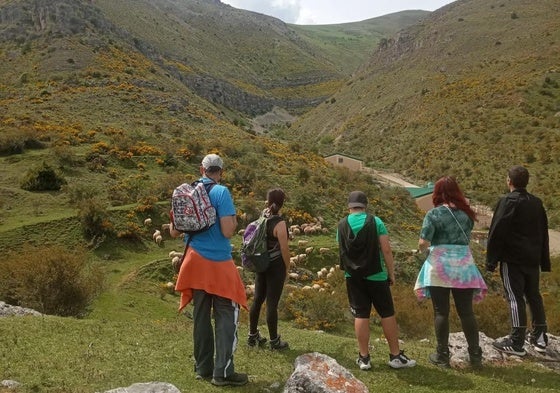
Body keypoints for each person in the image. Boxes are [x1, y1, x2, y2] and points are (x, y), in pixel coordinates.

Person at [170, 153, 248, 387]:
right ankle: (222, 373)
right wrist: (234, 222)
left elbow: (174, 232)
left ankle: (202, 368)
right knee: (226, 315)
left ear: (201, 169)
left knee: (201, 316)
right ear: (220, 171)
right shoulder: (221, 192)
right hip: (218, 263)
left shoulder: (186, 192)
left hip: (193, 261)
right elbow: (227, 231)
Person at [337, 191, 416, 370]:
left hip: (353, 277)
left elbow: (342, 250)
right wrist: (391, 273)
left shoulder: (341, 225)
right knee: (387, 313)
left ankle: (364, 358)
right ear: (365, 205)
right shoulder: (376, 222)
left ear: (349, 206)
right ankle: (395, 356)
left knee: (361, 314)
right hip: (376, 275)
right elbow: (386, 250)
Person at [414, 176, 487, 368]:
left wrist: (422, 250)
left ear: (437, 193)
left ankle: (442, 355)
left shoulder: (434, 214)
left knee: (441, 312)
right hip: (463, 267)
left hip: (440, 267)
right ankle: (475, 356)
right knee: (466, 312)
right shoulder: (467, 214)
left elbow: (423, 242)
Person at [486, 165, 551, 356]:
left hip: (512, 259)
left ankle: (516, 342)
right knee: (534, 296)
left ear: (509, 181)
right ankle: (540, 338)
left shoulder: (508, 201)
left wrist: (491, 260)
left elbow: (497, 231)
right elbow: (543, 233)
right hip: (532, 259)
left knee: (514, 297)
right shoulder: (536, 203)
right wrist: (544, 260)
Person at [247, 188, 291, 350]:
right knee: (272, 303)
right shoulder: (280, 223)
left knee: (258, 299)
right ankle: (274, 341)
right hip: (275, 266)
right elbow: (285, 249)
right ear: (282, 203)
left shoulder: (262, 217)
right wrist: (288, 267)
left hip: (261, 262)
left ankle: (252, 336)